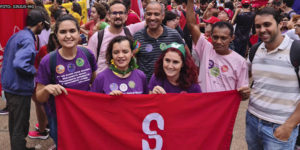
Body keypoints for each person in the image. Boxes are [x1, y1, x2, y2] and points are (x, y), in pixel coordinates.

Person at [34, 14, 97, 148]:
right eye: (63, 32)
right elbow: (39, 96)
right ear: (56, 35)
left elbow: (95, 83)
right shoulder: (48, 61)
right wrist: (46, 89)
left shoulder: (88, 54)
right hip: (59, 118)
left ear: (79, 33)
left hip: (85, 115)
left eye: (72, 31)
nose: (68, 36)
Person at [246, 7, 300, 150]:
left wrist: (289, 126)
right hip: (252, 120)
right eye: (258, 26)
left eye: (267, 24)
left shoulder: (297, 50)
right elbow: (245, 76)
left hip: (280, 127)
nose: (262, 29)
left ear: (279, 24)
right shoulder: (255, 50)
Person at [1, 8, 50, 150]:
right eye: (43, 26)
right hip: (19, 89)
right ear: (40, 24)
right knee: (20, 125)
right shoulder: (28, 39)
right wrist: (35, 71)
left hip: (10, 87)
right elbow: (20, 63)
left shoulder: (18, 35)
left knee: (14, 123)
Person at [186, 0, 250, 98]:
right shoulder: (206, 49)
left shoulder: (240, 62)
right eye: (215, 37)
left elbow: (242, 94)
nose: (219, 41)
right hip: (202, 105)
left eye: (223, 38)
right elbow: (192, 25)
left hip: (223, 110)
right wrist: (190, 2)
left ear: (232, 38)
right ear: (211, 35)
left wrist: (245, 94)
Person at [87, 0, 145, 75]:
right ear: (108, 15)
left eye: (121, 13)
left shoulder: (130, 31)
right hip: (103, 84)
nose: (118, 16)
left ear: (126, 16)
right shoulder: (97, 37)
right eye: (114, 13)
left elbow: (151, 21)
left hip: (126, 81)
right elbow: (89, 62)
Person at [134, 1, 185, 80]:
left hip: (168, 88)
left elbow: (186, 58)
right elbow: (133, 61)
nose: (152, 18)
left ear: (163, 16)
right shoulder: (137, 37)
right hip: (145, 88)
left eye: (156, 14)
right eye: (149, 14)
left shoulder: (174, 35)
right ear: (145, 15)